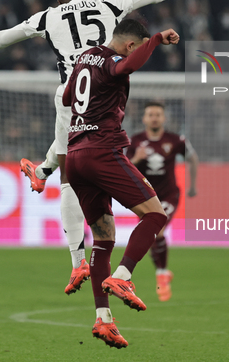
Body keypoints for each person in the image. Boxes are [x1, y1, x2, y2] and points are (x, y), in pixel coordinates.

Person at [0, 0, 213, 295]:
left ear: (61, 0)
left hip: (71, 92)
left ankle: (76, 258)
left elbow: (9, 35)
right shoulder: (108, 4)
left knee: (69, 174)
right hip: (106, 88)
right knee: (79, 158)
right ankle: (43, 171)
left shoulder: (48, 16)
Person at [62, 19, 178, 348]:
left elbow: (69, 97)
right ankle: (124, 277)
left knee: (103, 239)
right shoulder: (117, 61)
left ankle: (104, 319)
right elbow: (126, 65)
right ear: (130, 45)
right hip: (101, 151)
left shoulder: (85, 56)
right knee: (155, 215)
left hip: (74, 157)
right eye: (138, 47)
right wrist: (155, 40)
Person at [127, 102, 198, 301]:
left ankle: (161, 274)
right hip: (145, 196)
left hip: (168, 195)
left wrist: (193, 185)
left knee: (157, 230)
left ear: (164, 118)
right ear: (144, 119)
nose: (155, 118)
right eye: (150, 114)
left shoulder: (176, 140)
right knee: (150, 235)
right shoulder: (135, 141)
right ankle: (163, 272)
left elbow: (192, 158)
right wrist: (137, 159)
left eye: (158, 114)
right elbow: (124, 166)